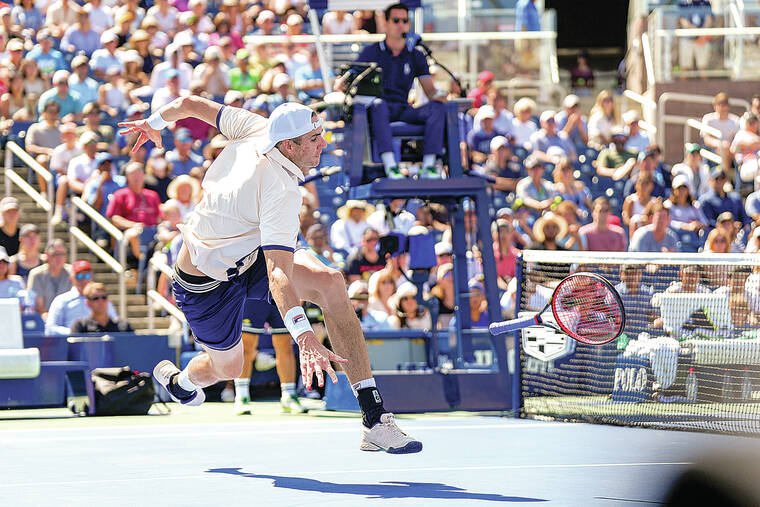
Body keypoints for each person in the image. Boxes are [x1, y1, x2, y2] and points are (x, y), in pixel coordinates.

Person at [119, 95, 422, 453]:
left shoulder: (255, 127)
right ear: (288, 145)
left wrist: (154, 123)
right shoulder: (280, 189)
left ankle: (374, 418)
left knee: (330, 282)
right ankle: (181, 380)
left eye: (320, 134)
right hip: (204, 282)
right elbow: (279, 275)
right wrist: (305, 335)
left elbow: (187, 103)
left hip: (250, 255)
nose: (323, 144)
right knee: (229, 368)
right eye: (313, 139)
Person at [334, 3, 446, 180]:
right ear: (385, 23)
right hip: (379, 110)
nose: (401, 24)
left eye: (404, 20)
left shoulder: (416, 54)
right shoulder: (372, 51)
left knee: (437, 108)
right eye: (396, 20)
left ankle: (429, 166)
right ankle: (390, 166)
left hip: (403, 108)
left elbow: (430, 91)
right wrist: (341, 83)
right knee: (378, 105)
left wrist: (443, 97)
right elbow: (347, 79)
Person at [235, 299, 306, 415]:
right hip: (254, 293)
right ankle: (242, 397)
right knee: (246, 345)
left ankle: (289, 396)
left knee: (286, 344)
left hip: (281, 294)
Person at [45, 260, 119, 335]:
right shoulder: (61, 300)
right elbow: (50, 328)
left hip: (99, 342)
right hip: (70, 343)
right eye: (79, 276)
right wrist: (75, 332)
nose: (84, 280)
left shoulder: (101, 298)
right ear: (71, 279)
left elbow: (114, 322)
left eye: (87, 276)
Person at [27, 239, 71, 317]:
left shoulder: (72, 273)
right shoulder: (36, 274)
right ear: (47, 255)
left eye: (62, 254)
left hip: (68, 317)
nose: (59, 258)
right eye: (55, 254)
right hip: (44, 318)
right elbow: (38, 306)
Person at [701, 92, 740, 173]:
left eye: (724, 103)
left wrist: (729, 148)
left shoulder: (735, 120)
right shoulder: (708, 119)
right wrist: (720, 144)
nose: (722, 107)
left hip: (731, 150)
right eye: (719, 103)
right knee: (725, 148)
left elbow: (737, 140)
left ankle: (727, 177)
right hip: (713, 148)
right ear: (715, 105)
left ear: (728, 106)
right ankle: (726, 177)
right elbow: (706, 139)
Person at [615, 264, 655, 338]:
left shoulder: (648, 292)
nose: (631, 276)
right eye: (628, 273)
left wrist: (656, 322)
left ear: (639, 274)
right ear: (622, 275)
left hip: (645, 334)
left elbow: (653, 315)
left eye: (634, 273)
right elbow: (614, 318)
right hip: (622, 335)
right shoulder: (615, 293)